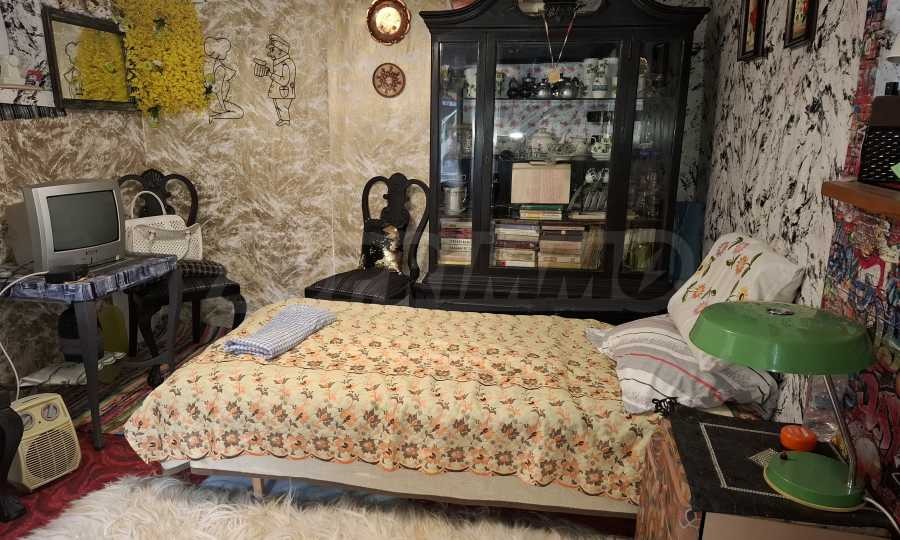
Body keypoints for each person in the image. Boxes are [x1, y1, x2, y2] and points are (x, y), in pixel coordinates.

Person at [264, 34, 295, 126]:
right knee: (279, 106)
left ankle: (286, 120)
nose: (270, 53)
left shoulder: (286, 64)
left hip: (284, 92)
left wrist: (270, 74)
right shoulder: (280, 63)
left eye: (272, 50)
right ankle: (283, 119)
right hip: (280, 92)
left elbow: (284, 81)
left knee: (282, 107)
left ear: (281, 51)